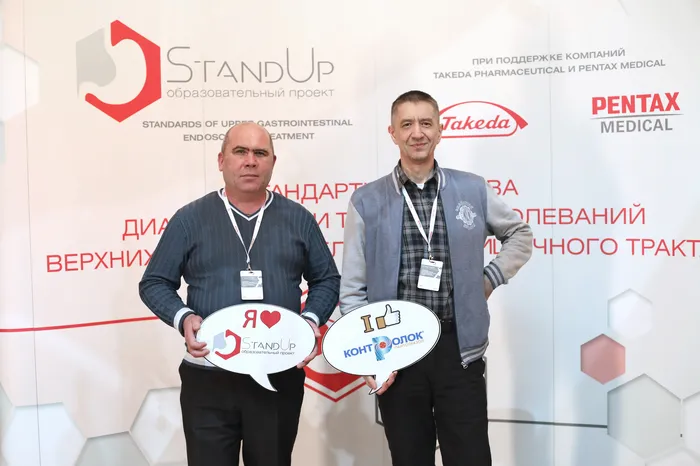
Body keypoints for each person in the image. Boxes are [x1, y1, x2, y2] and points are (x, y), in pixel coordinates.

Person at [338, 90, 533, 466]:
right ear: (393, 133)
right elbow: (352, 290)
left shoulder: (472, 189)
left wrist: (487, 280)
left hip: (457, 349)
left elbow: (519, 235)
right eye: (407, 124)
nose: (417, 133)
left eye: (426, 123)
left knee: (470, 457)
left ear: (440, 130)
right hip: (397, 350)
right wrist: (370, 355)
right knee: (410, 457)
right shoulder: (366, 201)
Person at [138, 122, 340, 466]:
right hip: (208, 376)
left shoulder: (299, 219)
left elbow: (327, 279)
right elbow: (154, 282)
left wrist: (309, 321)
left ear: (272, 162)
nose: (250, 161)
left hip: (278, 373)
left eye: (260, 153)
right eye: (240, 152)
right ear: (221, 161)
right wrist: (183, 317)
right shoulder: (189, 219)